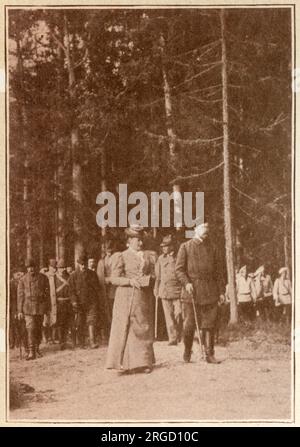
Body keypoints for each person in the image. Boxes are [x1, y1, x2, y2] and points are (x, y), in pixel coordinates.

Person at [105, 225, 155, 374]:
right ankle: (126, 364)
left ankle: (143, 362)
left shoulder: (146, 256)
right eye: (137, 240)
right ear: (129, 241)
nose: (140, 243)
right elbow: (113, 279)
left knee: (141, 327)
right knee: (126, 328)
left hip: (141, 297)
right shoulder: (121, 256)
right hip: (125, 297)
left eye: (141, 240)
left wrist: (149, 279)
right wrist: (129, 281)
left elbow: (152, 274)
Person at [175, 222, 224, 364]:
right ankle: (187, 350)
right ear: (195, 229)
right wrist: (186, 283)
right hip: (192, 291)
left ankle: (209, 354)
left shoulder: (213, 247)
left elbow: (218, 272)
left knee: (210, 323)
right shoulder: (185, 247)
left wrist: (220, 291)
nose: (206, 229)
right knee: (189, 325)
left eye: (208, 227)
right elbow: (179, 270)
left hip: (210, 290)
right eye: (203, 227)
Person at [17, 259, 50, 360]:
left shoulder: (43, 278)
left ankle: (37, 348)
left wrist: (47, 308)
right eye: (28, 268)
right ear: (27, 269)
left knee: (39, 329)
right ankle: (31, 351)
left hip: (40, 307)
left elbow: (47, 295)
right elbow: (20, 296)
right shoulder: (22, 280)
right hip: (28, 307)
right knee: (30, 328)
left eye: (32, 267)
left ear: (36, 267)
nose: (31, 269)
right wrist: (19, 311)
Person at [154, 234, 182, 346]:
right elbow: (158, 276)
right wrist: (156, 288)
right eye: (163, 246)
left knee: (179, 313)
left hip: (177, 290)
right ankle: (173, 338)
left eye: (166, 246)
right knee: (168, 315)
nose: (164, 248)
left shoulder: (178, 257)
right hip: (164, 290)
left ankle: (180, 333)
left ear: (172, 247)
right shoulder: (160, 259)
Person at [69, 255, 101, 349]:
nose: (83, 266)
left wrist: (96, 300)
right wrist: (74, 302)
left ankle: (92, 342)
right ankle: (81, 343)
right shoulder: (73, 276)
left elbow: (97, 288)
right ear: (78, 264)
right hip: (79, 303)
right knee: (80, 322)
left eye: (84, 264)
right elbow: (71, 291)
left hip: (91, 302)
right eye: (81, 264)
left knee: (92, 321)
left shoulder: (92, 274)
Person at [97, 239, 119, 337]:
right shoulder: (101, 262)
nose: (109, 252)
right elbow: (99, 276)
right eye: (108, 250)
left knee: (115, 310)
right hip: (104, 289)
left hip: (114, 289)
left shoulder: (117, 259)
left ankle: (115, 332)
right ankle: (106, 333)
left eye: (111, 250)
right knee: (106, 311)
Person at [55, 259, 73, 350]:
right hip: (59, 303)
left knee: (68, 322)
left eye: (63, 268)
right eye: (60, 268)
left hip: (68, 303)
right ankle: (61, 342)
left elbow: (72, 290)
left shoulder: (69, 277)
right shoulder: (54, 278)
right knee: (60, 323)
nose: (62, 269)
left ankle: (67, 341)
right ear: (57, 268)